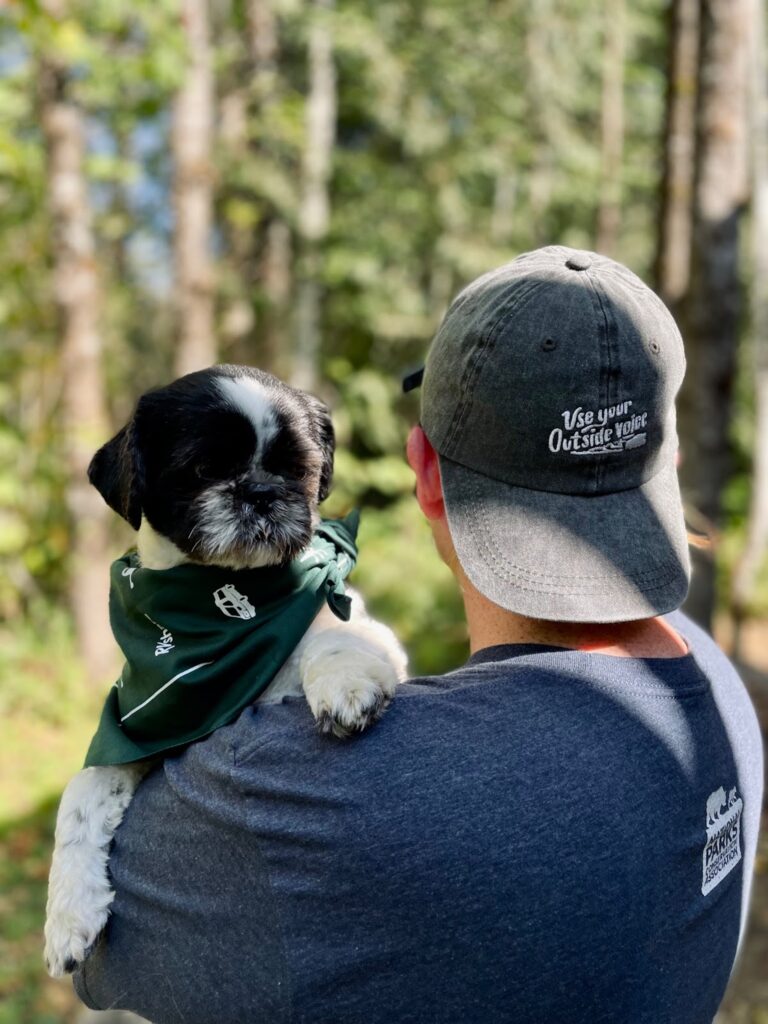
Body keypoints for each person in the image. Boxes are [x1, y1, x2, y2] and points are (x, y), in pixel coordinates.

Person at [74, 246, 763, 1024]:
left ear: (424, 471)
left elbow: (105, 961)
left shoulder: (288, 785)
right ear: (664, 458)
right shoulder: (715, 688)